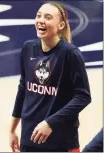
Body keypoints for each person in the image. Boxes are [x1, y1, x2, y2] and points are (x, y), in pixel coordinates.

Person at [9, 1, 91, 152]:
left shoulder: (70, 54)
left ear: (61, 25)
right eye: (38, 16)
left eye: (48, 17)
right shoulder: (28, 48)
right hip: (29, 139)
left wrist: (50, 123)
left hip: (61, 142)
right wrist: (12, 129)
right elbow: (23, 89)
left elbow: (83, 96)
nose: (41, 20)